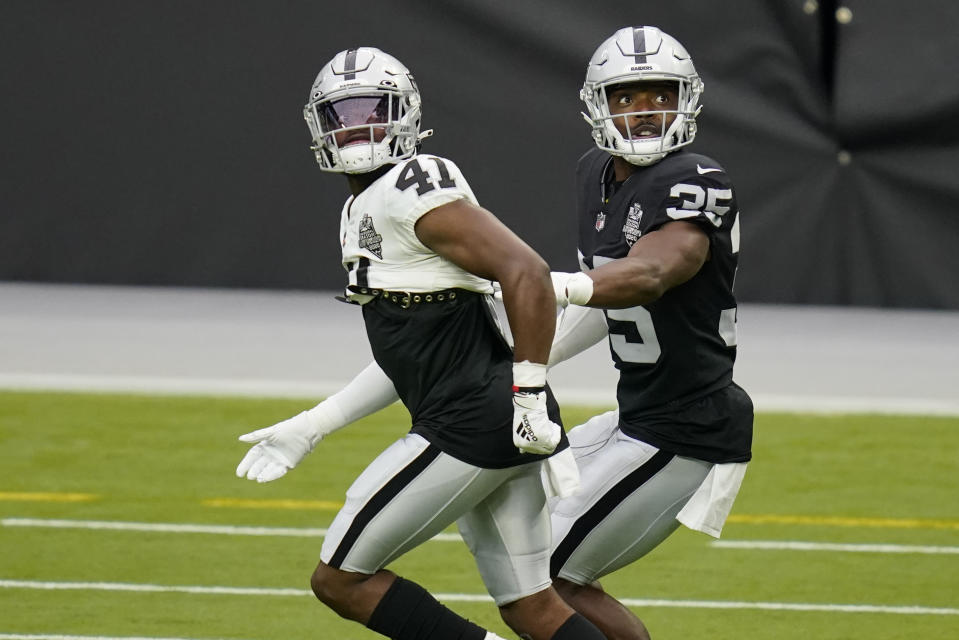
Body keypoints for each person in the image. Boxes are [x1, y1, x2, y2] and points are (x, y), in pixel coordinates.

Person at [234, 47, 605, 640]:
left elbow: (527, 274)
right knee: (533, 608)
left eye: (371, 110)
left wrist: (530, 395)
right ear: (320, 126)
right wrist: (314, 423)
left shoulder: (408, 188)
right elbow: (412, 353)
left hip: (471, 424)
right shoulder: (366, 202)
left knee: (341, 580)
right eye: (342, 114)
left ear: (403, 113)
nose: (357, 127)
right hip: (488, 416)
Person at [542, 26, 754, 639]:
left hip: (685, 423)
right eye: (627, 97)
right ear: (597, 104)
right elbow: (602, 294)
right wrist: (524, 357)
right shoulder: (594, 172)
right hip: (638, 412)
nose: (643, 112)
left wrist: (550, 284)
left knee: (547, 581)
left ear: (685, 99)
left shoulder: (696, 177)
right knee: (513, 512)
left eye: (658, 95)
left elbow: (653, 273)